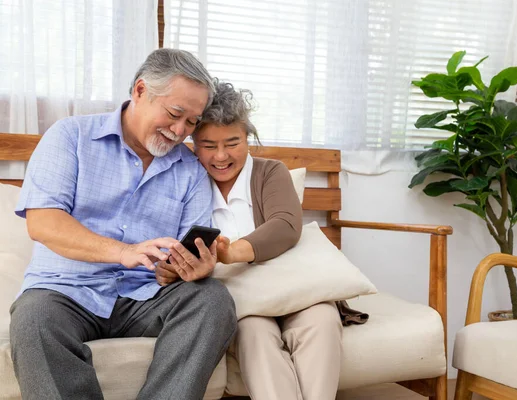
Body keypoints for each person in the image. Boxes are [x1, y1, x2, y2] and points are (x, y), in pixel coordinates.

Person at [9, 49, 237, 400]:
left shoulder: (190, 170)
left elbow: (181, 257)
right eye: (175, 114)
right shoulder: (70, 136)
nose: (179, 131)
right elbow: (43, 222)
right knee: (33, 320)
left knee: (211, 299)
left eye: (192, 122)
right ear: (141, 91)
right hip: (65, 290)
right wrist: (122, 252)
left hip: (146, 297)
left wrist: (188, 268)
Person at [156, 80, 343, 400]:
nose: (221, 156)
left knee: (323, 319)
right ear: (193, 144)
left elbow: (285, 225)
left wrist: (231, 253)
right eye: (208, 145)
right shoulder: (185, 182)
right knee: (254, 331)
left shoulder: (270, 172)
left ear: (248, 137)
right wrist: (172, 268)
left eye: (233, 142)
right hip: (241, 300)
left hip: (294, 287)